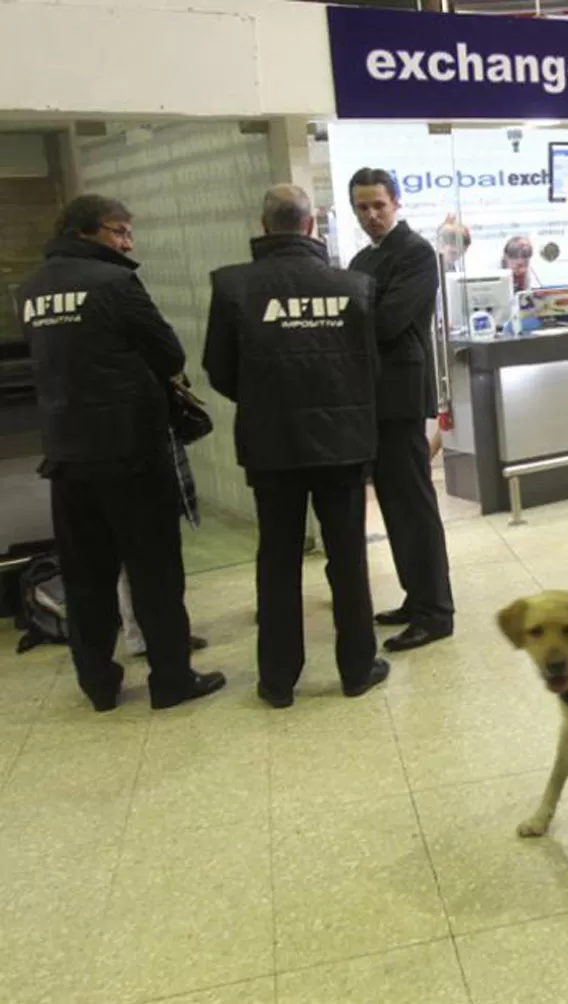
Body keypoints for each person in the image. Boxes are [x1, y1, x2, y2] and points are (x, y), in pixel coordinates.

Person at [18, 195, 225, 711]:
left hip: (66, 453)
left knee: (86, 577)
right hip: (131, 452)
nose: (128, 243)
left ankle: (99, 683)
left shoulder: (30, 289)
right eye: (119, 232)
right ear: (85, 231)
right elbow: (169, 351)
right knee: (154, 571)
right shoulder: (114, 283)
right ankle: (172, 679)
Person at [202, 184, 389, 708]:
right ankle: (356, 669)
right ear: (311, 226)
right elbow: (368, 368)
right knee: (347, 559)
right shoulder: (354, 285)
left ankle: (277, 681)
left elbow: (219, 368)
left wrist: (263, 397)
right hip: (342, 444)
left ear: (265, 227)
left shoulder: (233, 286)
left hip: (271, 444)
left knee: (278, 560)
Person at [347, 168, 454, 652]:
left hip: (401, 397)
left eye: (378, 205)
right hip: (373, 397)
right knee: (392, 505)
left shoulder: (414, 253)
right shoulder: (361, 260)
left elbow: (389, 320)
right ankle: (416, 597)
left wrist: (348, 317)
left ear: (396, 203)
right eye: (362, 207)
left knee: (413, 504)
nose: (370, 215)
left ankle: (436, 611)